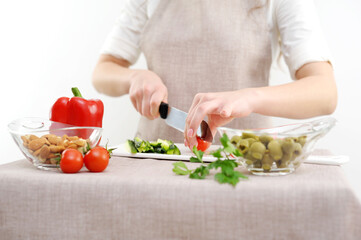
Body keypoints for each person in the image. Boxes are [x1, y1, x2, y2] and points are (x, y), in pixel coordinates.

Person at [92, 0, 337, 149]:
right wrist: (134, 78)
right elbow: (103, 71)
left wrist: (247, 98)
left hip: (245, 168)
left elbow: (325, 92)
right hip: (155, 162)